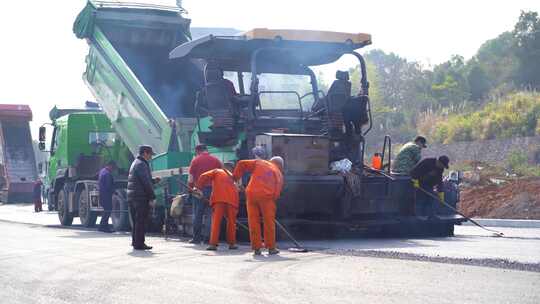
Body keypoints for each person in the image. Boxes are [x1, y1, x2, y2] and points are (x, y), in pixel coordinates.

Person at [233, 156, 284, 256]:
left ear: (270, 161)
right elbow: (277, 191)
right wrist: (272, 202)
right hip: (267, 197)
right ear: (281, 166)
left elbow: (241, 163)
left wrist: (235, 177)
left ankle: (257, 248)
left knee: (253, 221)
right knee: (268, 222)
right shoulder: (278, 173)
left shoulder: (260, 163)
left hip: (251, 194)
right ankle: (271, 247)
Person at [195, 162, 239, 251]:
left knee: (216, 222)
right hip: (232, 201)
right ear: (232, 168)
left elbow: (203, 176)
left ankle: (213, 244)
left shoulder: (217, 171)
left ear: (224, 167)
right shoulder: (233, 177)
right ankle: (232, 244)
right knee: (231, 223)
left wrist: (198, 188)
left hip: (219, 199)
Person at [188, 144, 222, 244]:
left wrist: (190, 188)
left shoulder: (195, 160)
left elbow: (190, 177)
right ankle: (208, 238)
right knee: (210, 215)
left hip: (199, 191)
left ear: (197, 151)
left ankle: (196, 238)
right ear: (206, 150)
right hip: (212, 190)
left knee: (197, 215)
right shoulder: (216, 160)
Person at [127, 145, 159, 250]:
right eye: (150, 154)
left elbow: (140, 180)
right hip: (140, 197)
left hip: (133, 196)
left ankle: (135, 242)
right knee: (141, 221)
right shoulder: (142, 164)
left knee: (136, 221)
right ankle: (139, 243)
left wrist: (154, 181)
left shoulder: (135, 163)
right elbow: (145, 182)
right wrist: (152, 196)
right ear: (145, 153)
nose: (151, 157)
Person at [98, 161, 116, 233]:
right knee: (108, 210)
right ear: (110, 166)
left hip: (102, 194)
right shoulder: (107, 174)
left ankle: (102, 226)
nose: (113, 169)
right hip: (106, 195)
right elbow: (109, 186)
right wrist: (114, 191)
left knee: (106, 210)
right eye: (113, 167)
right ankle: (104, 227)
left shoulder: (102, 171)